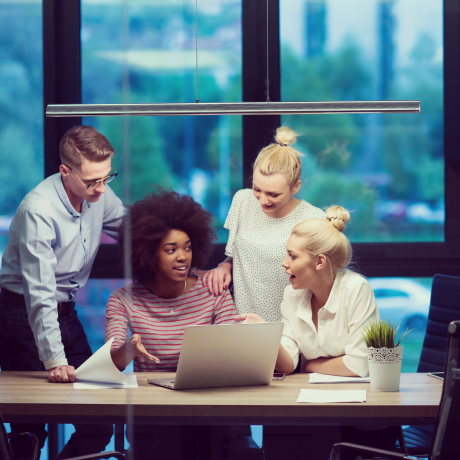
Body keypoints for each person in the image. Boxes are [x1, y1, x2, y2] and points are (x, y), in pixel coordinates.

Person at [105, 190, 261, 460]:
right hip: (154, 414)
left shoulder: (212, 289)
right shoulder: (123, 299)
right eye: (171, 249)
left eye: (187, 247)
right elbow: (110, 365)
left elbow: (234, 351)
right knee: (172, 440)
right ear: (147, 253)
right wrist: (130, 349)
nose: (183, 256)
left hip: (212, 406)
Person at [0, 125, 124, 459]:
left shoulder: (100, 193)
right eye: (91, 181)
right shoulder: (37, 211)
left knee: (98, 423)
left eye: (106, 177)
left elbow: (130, 228)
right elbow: (38, 293)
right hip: (21, 315)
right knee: (30, 427)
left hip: (66, 312)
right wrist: (54, 359)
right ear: (64, 171)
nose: (100, 188)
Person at [236, 206, 397, 458]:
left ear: (319, 261)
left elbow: (358, 365)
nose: (284, 262)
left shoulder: (356, 289)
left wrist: (310, 365)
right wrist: (265, 333)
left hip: (361, 422)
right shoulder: (293, 294)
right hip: (316, 414)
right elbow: (288, 364)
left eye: (292, 256)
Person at [203, 126, 324, 322]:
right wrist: (224, 266)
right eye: (257, 189)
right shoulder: (242, 200)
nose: (262, 200)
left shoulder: (313, 217)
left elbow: (320, 278)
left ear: (296, 187)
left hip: (291, 326)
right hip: (243, 321)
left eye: (273, 194)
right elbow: (240, 254)